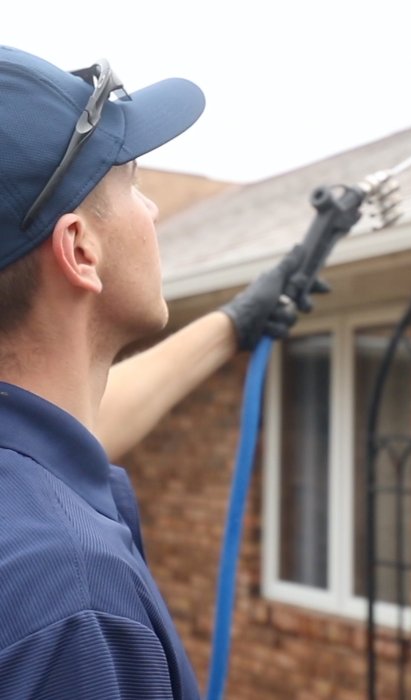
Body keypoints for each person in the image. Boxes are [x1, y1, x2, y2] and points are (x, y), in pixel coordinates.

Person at [0, 46, 319, 699]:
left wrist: (233, 322)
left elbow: (72, 436)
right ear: (79, 250)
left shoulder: (26, 500)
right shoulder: (75, 602)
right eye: (133, 185)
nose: (152, 213)